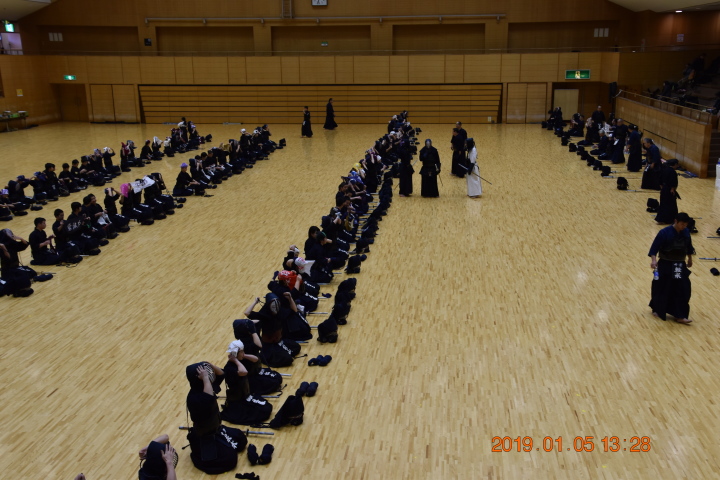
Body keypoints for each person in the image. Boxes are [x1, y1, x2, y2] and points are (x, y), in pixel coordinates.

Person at [185, 362, 247, 474]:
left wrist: (209, 365)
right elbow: (209, 399)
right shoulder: (194, 397)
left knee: (241, 438)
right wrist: (205, 378)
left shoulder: (206, 386)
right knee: (230, 459)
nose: (208, 374)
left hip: (216, 429)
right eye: (204, 373)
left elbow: (222, 374)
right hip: (205, 436)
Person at [648, 212, 694, 324]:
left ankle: (680, 315)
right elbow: (654, 248)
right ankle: (658, 309)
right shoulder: (664, 232)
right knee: (662, 287)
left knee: (682, 288)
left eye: (685, 225)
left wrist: (689, 258)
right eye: (682, 224)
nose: (683, 227)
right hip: (665, 264)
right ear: (676, 221)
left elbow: (689, 247)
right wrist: (654, 260)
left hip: (679, 264)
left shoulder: (686, 232)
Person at [655, 159, 680, 224]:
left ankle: (661, 219)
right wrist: (672, 189)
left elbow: (660, 179)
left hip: (664, 188)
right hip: (669, 190)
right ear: (675, 164)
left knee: (663, 204)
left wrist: (662, 188)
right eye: (677, 164)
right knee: (670, 205)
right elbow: (673, 182)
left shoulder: (664, 169)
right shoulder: (672, 172)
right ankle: (669, 219)